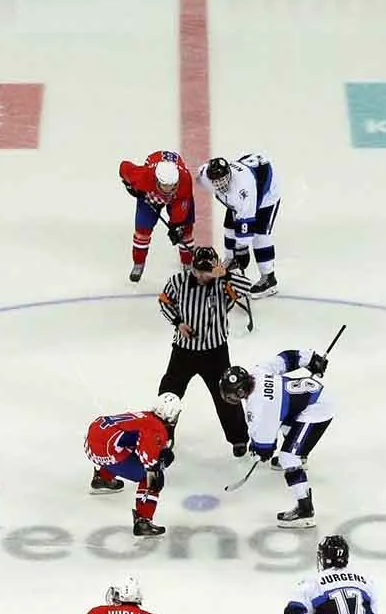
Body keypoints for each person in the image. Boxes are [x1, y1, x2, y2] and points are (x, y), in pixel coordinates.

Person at [219, 346, 335, 529]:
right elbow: (288, 358)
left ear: (240, 392)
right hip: (310, 398)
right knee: (285, 419)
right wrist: (312, 360)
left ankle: (305, 511)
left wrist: (258, 451)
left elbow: (265, 448)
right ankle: (300, 453)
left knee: (287, 457)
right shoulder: (258, 371)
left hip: (318, 408)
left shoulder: (258, 408)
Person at [158, 246, 252, 459]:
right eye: (198, 270)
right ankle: (162, 436)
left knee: (227, 396)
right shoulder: (178, 281)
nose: (201, 276)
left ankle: (239, 438)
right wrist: (178, 322)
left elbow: (248, 288)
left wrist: (225, 274)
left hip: (215, 353)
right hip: (184, 351)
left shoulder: (223, 282)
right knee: (168, 395)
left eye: (206, 271)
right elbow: (164, 302)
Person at [86, 395, 182, 539]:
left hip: (91, 444)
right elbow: (149, 462)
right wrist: (161, 462)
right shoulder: (157, 428)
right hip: (109, 451)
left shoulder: (144, 416)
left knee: (126, 450)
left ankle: (103, 478)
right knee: (153, 477)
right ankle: (143, 520)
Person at [199, 153, 282, 299]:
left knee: (259, 234)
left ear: (229, 175)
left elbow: (246, 227)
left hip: (267, 192)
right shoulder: (205, 174)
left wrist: (242, 250)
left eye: (222, 180)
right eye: (215, 182)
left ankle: (269, 279)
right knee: (229, 227)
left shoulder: (243, 191)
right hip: (248, 175)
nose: (220, 185)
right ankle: (231, 260)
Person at [118, 150, 197, 284]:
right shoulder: (143, 176)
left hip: (178, 199)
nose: (168, 189)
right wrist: (129, 185)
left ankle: (187, 264)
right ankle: (138, 264)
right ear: (156, 179)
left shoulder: (185, 181)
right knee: (142, 231)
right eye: (165, 185)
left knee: (186, 232)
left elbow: (182, 205)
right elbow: (124, 167)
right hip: (151, 195)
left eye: (172, 186)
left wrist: (177, 225)